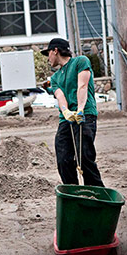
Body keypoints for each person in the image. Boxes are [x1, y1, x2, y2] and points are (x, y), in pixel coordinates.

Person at [41, 38, 104, 186]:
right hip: (66, 119)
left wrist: (80, 110)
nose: (48, 58)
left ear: (55, 50)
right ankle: (73, 192)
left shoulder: (80, 62)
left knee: (84, 158)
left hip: (85, 115)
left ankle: (97, 194)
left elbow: (82, 86)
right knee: (63, 159)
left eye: (48, 53)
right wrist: (66, 111)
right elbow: (60, 96)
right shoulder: (55, 77)